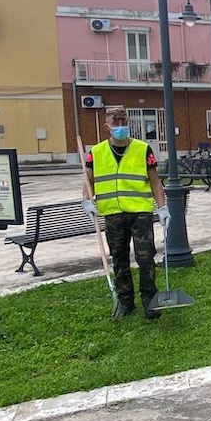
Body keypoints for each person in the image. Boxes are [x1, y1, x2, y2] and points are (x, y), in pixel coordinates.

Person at [82, 107, 170, 320]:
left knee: (145, 256)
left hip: (140, 213)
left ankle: (150, 300)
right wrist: (87, 201)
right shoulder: (96, 153)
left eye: (123, 121)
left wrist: (162, 207)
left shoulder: (143, 149)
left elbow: (155, 180)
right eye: (116, 122)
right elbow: (89, 181)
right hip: (112, 213)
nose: (120, 126)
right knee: (119, 258)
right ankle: (125, 301)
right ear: (107, 126)